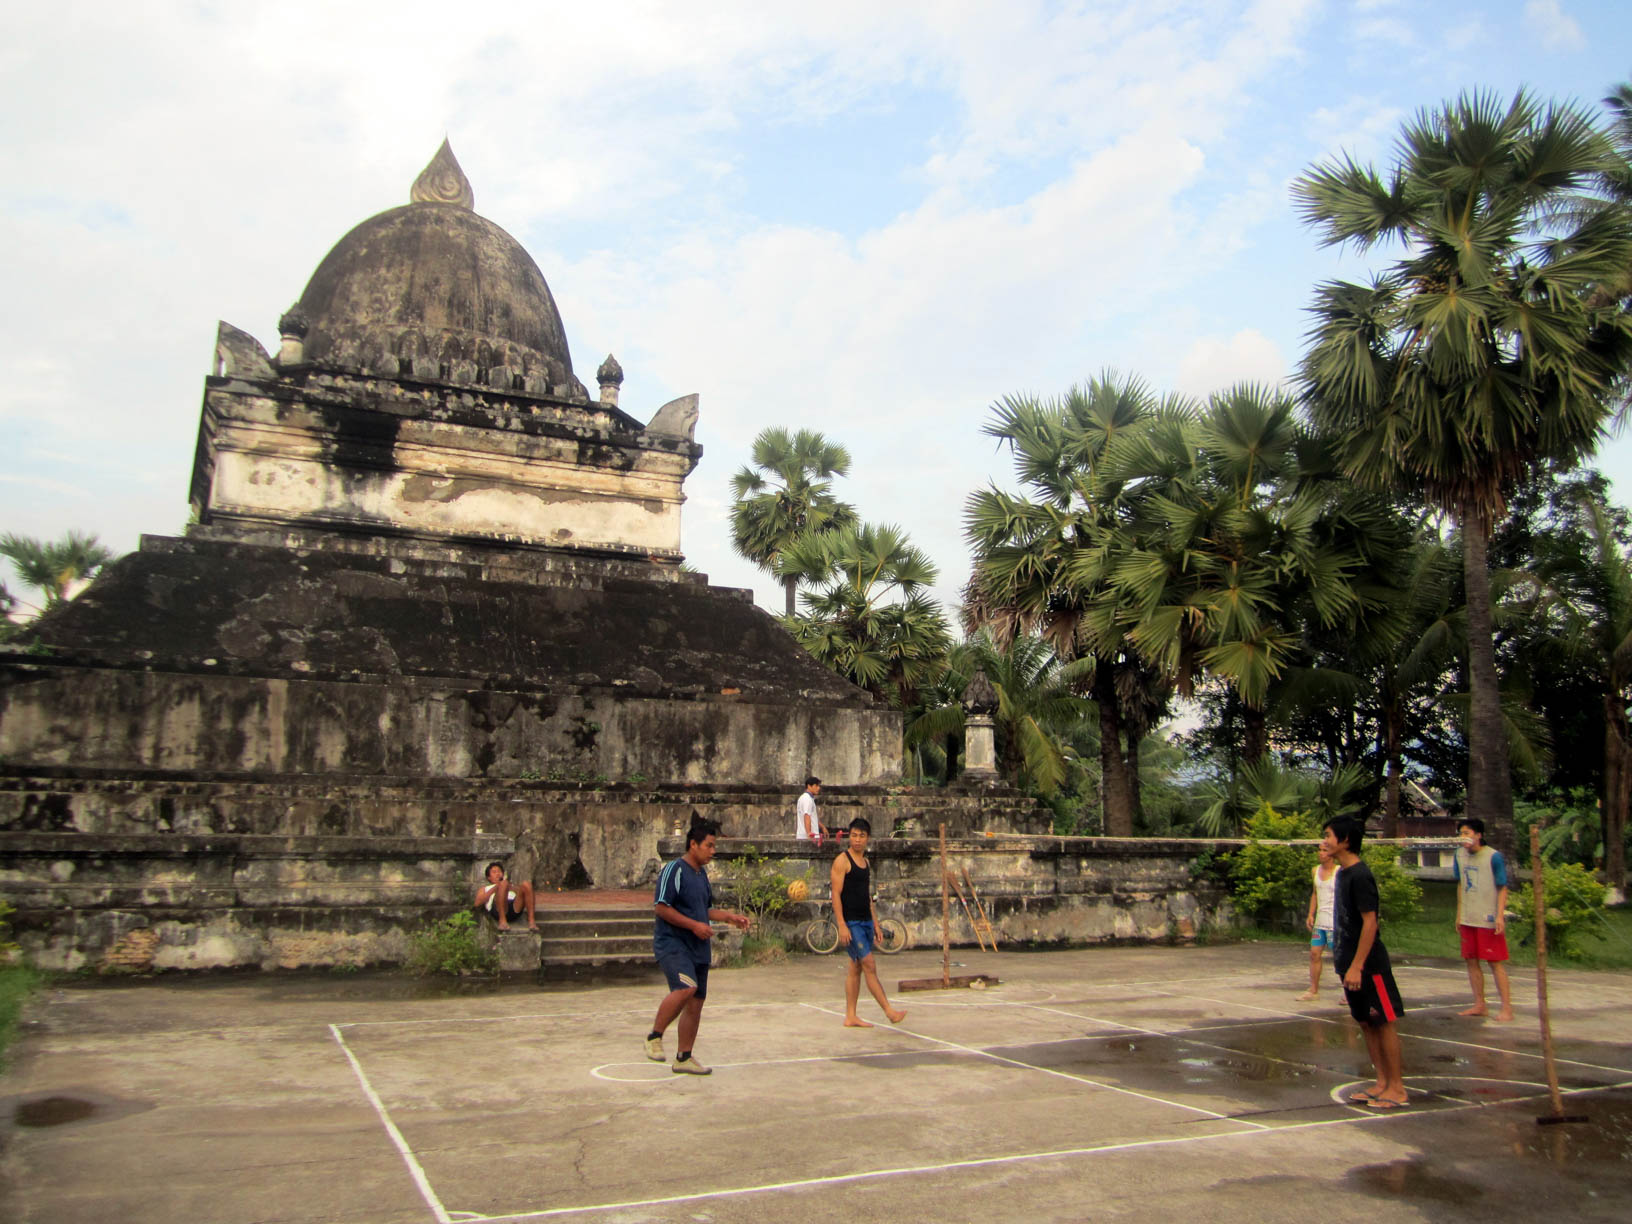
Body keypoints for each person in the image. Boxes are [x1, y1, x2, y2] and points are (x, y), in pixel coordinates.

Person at [645, 818, 751, 1074]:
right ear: (693, 844)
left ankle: (684, 1057)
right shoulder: (674, 870)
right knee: (686, 987)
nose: (713, 851)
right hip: (673, 944)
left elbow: (704, 910)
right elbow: (661, 907)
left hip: (698, 947)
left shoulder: (701, 875)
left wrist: (729, 917)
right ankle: (654, 1036)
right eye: (709, 846)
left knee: (696, 1003)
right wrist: (694, 925)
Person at [1323, 815, 1408, 1109]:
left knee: (1383, 1021)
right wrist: (1345, 964)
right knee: (1366, 1022)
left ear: (1345, 840)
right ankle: (1381, 1082)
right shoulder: (1342, 874)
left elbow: (1370, 923)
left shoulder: (1361, 875)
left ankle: (1397, 1088)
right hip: (1347, 962)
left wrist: (1358, 965)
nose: (1324, 841)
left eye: (1329, 835)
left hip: (1370, 966)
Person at [831, 817, 906, 1028]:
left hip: (865, 920)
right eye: (854, 835)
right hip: (851, 923)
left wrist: (875, 924)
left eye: (861, 836)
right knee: (869, 965)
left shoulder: (866, 863)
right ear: (849, 837)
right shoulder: (842, 861)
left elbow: (866, 896)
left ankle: (850, 1016)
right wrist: (842, 925)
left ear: (867, 838)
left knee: (855, 968)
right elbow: (835, 894)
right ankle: (889, 1011)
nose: (857, 840)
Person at [1452, 818, 1514, 1021]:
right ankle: (1480, 1004)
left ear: (1478, 835)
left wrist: (1499, 915)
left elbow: (1502, 887)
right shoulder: (1459, 855)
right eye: (1461, 833)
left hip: (1487, 917)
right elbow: (1461, 883)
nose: (1463, 837)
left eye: (1467, 833)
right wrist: (1459, 913)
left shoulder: (1493, 856)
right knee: (1471, 960)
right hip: (1468, 916)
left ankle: (1506, 1008)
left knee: (1494, 962)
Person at [1297, 842, 1339, 1001]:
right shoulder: (1315, 870)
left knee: (1340, 957)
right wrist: (1310, 914)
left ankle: (1349, 992)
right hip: (1320, 923)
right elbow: (1314, 893)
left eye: (1325, 850)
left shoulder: (1339, 871)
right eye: (1319, 850)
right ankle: (1313, 990)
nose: (1321, 853)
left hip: (1335, 923)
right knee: (1314, 954)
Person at [472, 861, 536, 931]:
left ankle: (531, 921)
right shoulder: (485, 888)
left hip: (514, 908)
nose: (497, 874)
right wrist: (497, 887)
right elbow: (477, 903)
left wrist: (511, 887)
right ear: (489, 877)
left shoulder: (509, 885)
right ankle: (502, 921)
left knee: (526, 884)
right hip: (498, 909)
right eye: (494, 872)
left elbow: (523, 895)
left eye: (499, 871)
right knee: (503, 884)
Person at [795, 776, 828, 844]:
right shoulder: (807, 799)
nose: (818, 788)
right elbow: (807, 816)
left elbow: (812, 818)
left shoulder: (807, 798)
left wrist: (822, 827)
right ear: (809, 786)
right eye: (816, 786)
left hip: (807, 837)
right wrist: (809, 834)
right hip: (808, 838)